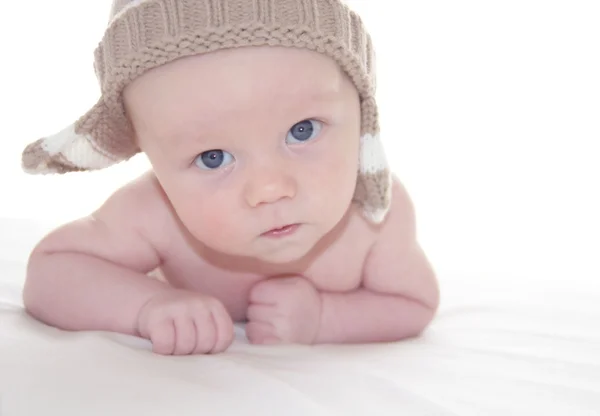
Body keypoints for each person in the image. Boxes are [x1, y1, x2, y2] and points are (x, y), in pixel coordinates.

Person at [21, 0, 440, 355]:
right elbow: (51, 271)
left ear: (362, 110)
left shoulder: (374, 212)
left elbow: (414, 303)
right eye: (213, 157)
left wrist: (325, 318)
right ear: (149, 155)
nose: (270, 189)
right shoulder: (156, 213)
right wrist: (148, 304)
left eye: (303, 130)